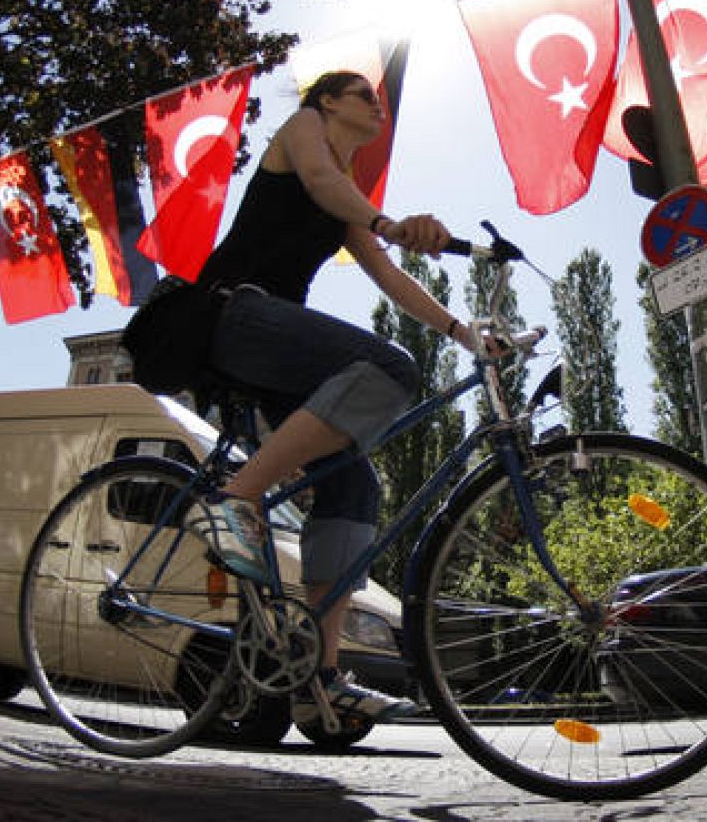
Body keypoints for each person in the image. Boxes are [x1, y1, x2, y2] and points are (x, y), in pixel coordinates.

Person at [180, 69, 481, 725]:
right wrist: (390, 219)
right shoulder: (302, 132)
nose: (378, 107)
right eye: (365, 97)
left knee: (354, 488)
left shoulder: (348, 197)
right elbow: (318, 179)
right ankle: (234, 498)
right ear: (327, 102)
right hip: (237, 314)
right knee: (390, 367)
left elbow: (387, 275)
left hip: (271, 350)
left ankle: (314, 678)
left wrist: (463, 332)